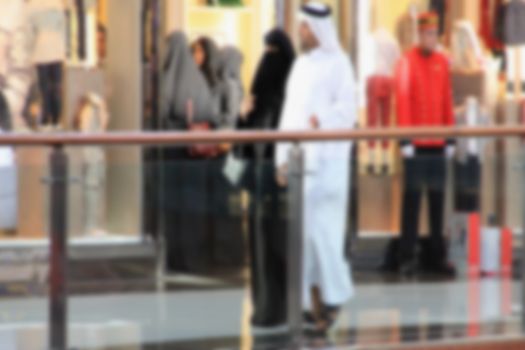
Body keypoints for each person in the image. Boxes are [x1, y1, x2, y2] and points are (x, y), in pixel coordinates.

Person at [276, 2, 356, 332]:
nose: (301, 31)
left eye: (306, 26)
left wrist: (320, 120)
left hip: (330, 164)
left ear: (319, 29)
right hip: (302, 166)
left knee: (325, 234)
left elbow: (348, 111)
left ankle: (334, 297)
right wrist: (280, 159)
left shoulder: (340, 64)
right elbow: (288, 117)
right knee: (306, 237)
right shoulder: (300, 67)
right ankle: (310, 303)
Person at [241, 28, 295, 327]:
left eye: (274, 51)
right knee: (265, 248)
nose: (269, 57)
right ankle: (267, 309)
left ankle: (275, 309)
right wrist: (242, 114)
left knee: (272, 246)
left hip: (279, 183)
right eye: (267, 50)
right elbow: (244, 138)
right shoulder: (266, 90)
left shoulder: (289, 91)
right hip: (267, 185)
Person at [395, 12, 456, 278]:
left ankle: (436, 255)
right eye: (426, 34)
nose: (430, 38)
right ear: (419, 34)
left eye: (434, 34)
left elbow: (446, 100)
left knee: (437, 200)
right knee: (412, 201)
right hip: (417, 144)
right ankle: (407, 255)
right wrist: (405, 139)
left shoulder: (443, 62)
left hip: (437, 143)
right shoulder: (406, 61)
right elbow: (403, 101)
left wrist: (450, 136)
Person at [161, 32, 219, 273]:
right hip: (195, 156)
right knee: (192, 206)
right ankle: (193, 257)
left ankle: (176, 257)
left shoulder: (168, 78)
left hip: (173, 153)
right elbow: (211, 113)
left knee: (174, 206)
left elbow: (164, 111)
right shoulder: (199, 80)